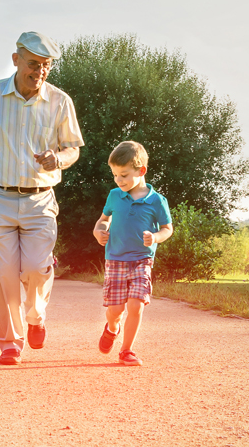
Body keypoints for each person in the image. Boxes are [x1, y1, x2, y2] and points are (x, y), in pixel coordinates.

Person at [0, 31, 85, 365]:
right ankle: (10, 342)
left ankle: (36, 317)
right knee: (4, 273)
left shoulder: (60, 102)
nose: (39, 72)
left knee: (37, 268)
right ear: (16, 60)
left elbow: (72, 148)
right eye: (33, 64)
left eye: (45, 66)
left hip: (40, 200)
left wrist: (60, 159)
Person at [92, 141, 173, 366]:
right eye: (116, 175)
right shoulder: (114, 196)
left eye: (124, 175)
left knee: (136, 305)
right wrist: (99, 232)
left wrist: (156, 237)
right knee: (115, 310)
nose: (119, 180)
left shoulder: (157, 201)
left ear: (141, 171)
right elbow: (103, 220)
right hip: (115, 259)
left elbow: (168, 229)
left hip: (142, 260)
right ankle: (112, 328)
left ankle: (126, 350)